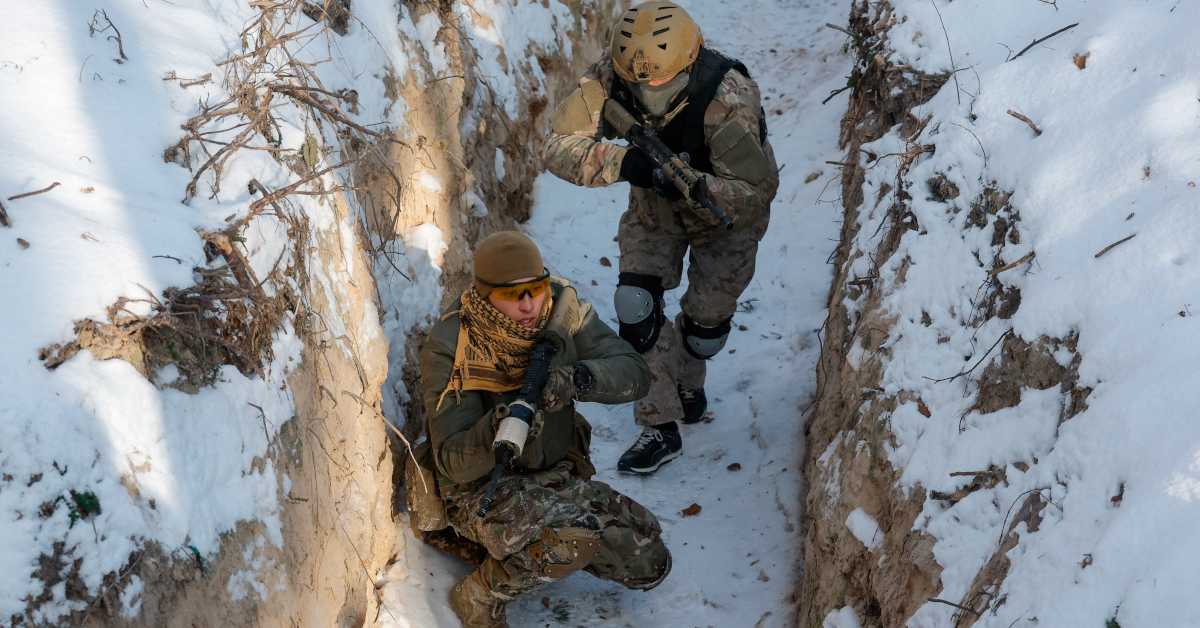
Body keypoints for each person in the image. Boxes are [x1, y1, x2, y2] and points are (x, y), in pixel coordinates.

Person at [543, 1, 779, 475]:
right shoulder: (611, 77)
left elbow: (757, 191)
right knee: (636, 306)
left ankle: (689, 377)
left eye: (656, 82)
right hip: (656, 205)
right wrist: (625, 165)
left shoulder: (727, 96)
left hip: (725, 215)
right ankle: (658, 422)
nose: (645, 90)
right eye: (636, 82)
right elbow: (557, 144)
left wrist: (697, 184)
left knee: (706, 329)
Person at [417, 231, 671, 627]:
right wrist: (503, 421)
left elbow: (635, 373)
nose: (529, 305)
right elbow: (453, 462)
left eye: (535, 289)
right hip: (483, 488)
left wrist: (578, 378)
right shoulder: (453, 345)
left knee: (648, 559)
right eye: (512, 296)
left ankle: (524, 543)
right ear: (485, 296)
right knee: (572, 538)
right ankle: (478, 595)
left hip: (552, 475)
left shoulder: (561, 310)